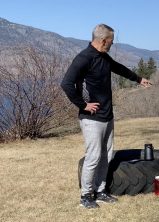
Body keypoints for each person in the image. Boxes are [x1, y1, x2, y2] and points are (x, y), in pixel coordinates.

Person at [61, 24, 151, 209]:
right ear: (103, 41)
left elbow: (118, 68)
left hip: (107, 116)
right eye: (111, 41)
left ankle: (100, 191)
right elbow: (66, 84)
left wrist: (138, 79)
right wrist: (83, 105)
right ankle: (86, 196)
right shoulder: (83, 58)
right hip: (91, 119)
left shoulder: (103, 56)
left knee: (106, 156)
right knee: (93, 156)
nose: (112, 43)